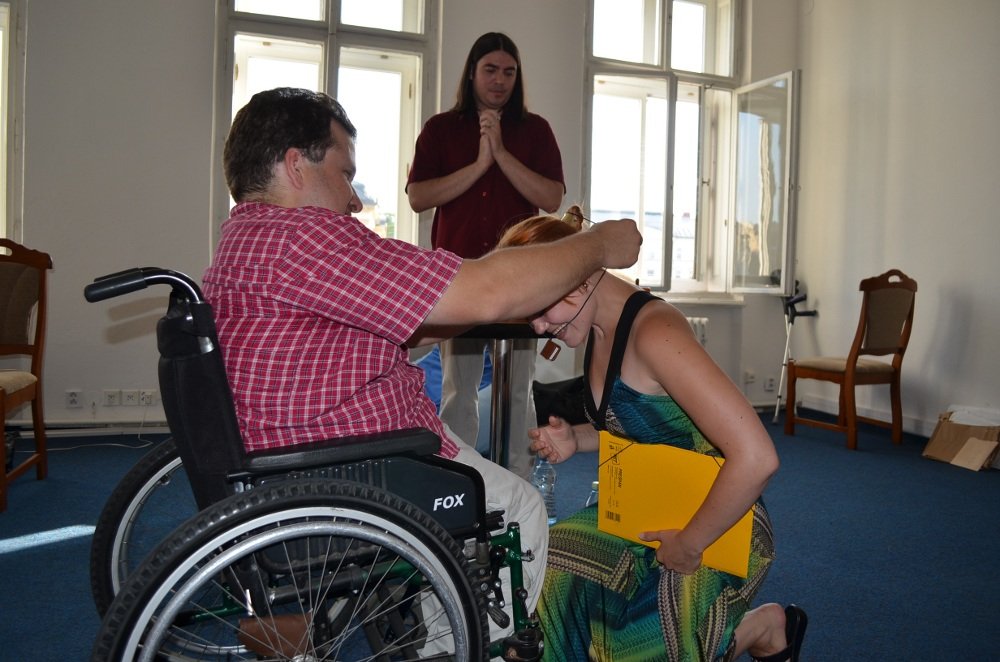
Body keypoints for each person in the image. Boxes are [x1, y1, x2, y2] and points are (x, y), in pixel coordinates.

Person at [201, 88, 641, 648]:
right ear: (296, 165)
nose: (353, 200)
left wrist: (461, 305)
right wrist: (596, 244)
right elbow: (487, 291)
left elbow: (413, 325)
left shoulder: (244, 240)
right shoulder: (307, 239)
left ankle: (408, 613)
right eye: (345, 173)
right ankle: (457, 647)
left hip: (281, 462)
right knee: (520, 507)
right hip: (351, 468)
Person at [497, 210, 808, 661]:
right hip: (652, 504)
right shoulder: (598, 327)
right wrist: (578, 438)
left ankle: (760, 627)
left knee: (648, 641)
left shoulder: (656, 333)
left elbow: (757, 458)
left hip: (719, 522)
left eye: (540, 311)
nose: (539, 328)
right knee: (552, 568)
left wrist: (691, 543)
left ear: (578, 280)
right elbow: (652, 427)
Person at [407, 32, 564, 480]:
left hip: (521, 278)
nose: (500, 80)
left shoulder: (535, 130)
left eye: (509, 72)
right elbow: (419, 197)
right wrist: (478, 165)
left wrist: (500, 154)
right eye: (490, 70)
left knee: (518, 389)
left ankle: (518, 481)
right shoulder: (441, 128)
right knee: (459, 388)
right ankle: (461, 479)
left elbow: (551, 198)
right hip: (458, 277)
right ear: (472, 73)